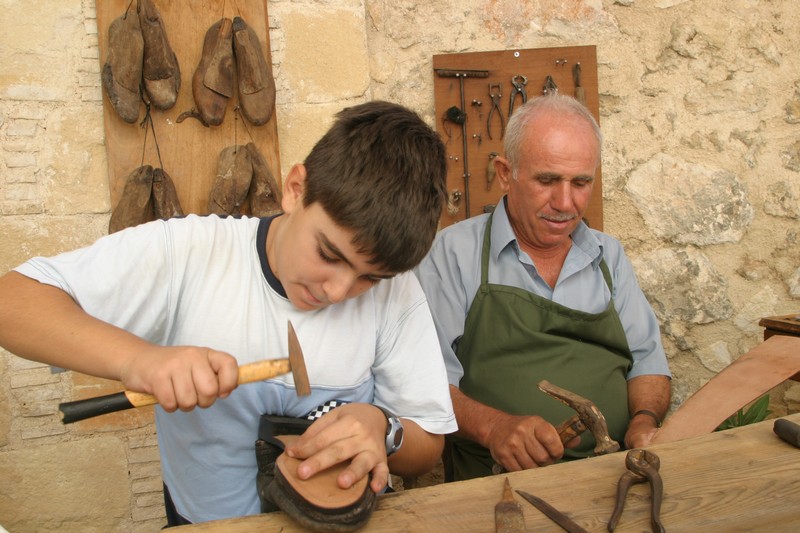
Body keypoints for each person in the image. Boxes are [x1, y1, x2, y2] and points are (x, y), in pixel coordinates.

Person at [0, 101, 457, 525]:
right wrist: (140, 359)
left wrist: (384, 428)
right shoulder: (190, 251)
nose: (338, 291)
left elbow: (427, 448)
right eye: (329, 254)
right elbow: (12, 302)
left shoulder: (397, 293)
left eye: (368, 278)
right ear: (296, 190)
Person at [414, 94, 671, 482]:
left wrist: (644, 421)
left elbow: (648, 364)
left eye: (581, 182)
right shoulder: (454, 255)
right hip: (498, 482)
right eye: (547, 180)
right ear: (505, 172)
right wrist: (494, 427)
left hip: (614, 472)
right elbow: (424, 383)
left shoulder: (608, 257)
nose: (565, 202)